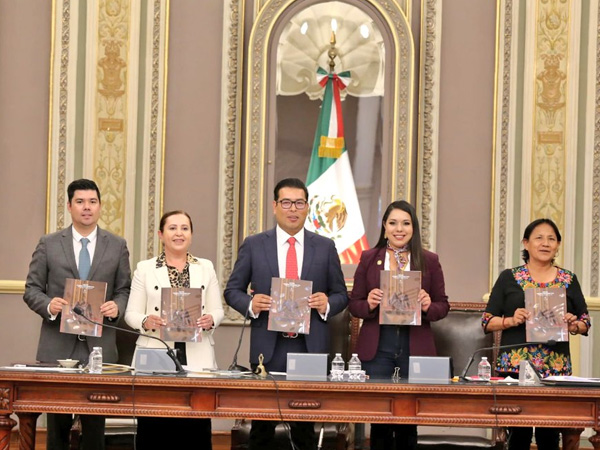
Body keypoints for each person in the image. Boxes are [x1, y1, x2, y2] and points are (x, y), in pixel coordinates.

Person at [224, 177, 348, 450]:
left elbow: (341, 294)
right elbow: (232, 291)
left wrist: (326, 303)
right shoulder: (255, 244)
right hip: (268, 348)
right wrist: (251, 304)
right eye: (287, 202)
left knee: (304, 430)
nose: (293, 209)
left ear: (307, 207)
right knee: (262, 429)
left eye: (299, 203)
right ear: (275, 206)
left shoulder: (324, 246)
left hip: (308, 347)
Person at [23, 178, 131, 450]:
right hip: (57, 345)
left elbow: (124, 289)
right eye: (80, 202)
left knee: (95, 429)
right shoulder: (48, 243)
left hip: (99, 346)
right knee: (57, 428)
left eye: (92, 202)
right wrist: (49, 305)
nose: (87, 207)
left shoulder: (117, 245)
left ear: (100, 206)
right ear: (70, 206)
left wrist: (117, 307)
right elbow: (32, 289)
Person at [348, 200, 449, 450]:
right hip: (378, 346)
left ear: (414, 228)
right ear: (384, 226)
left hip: (414, 346)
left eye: (405, 223)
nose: (399, 229)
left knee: (408, 418)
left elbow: (443, 306)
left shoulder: (429, 260)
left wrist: (428, 305)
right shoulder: (369, 258)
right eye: (393, 223)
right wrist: (369, 303)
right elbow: (354, 305)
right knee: (380, 418)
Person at [483, 218, 590, 450]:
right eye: (539, 238)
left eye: (551, 239)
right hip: (515, 369)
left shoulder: (568, 279)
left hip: (555, 370)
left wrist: (573, 325)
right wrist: (511, 320)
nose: (545, 243)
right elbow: (487, 321)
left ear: (558, 245)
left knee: (549, 435)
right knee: (518, 435)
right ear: (526, 243)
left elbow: (585, 321)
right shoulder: (509, 277)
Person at [125, 210, 224, 449]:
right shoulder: (145, 268)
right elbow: (130, 314)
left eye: (184, 228)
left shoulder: (205, 267)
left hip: (197, 355)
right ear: (161, 234)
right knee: (155, 427)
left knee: (195, 428)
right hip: (157, 352)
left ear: (191, 234)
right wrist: (146, 320)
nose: (179, 233)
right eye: (172, 228)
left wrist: (211, 319)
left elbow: (218, 310)